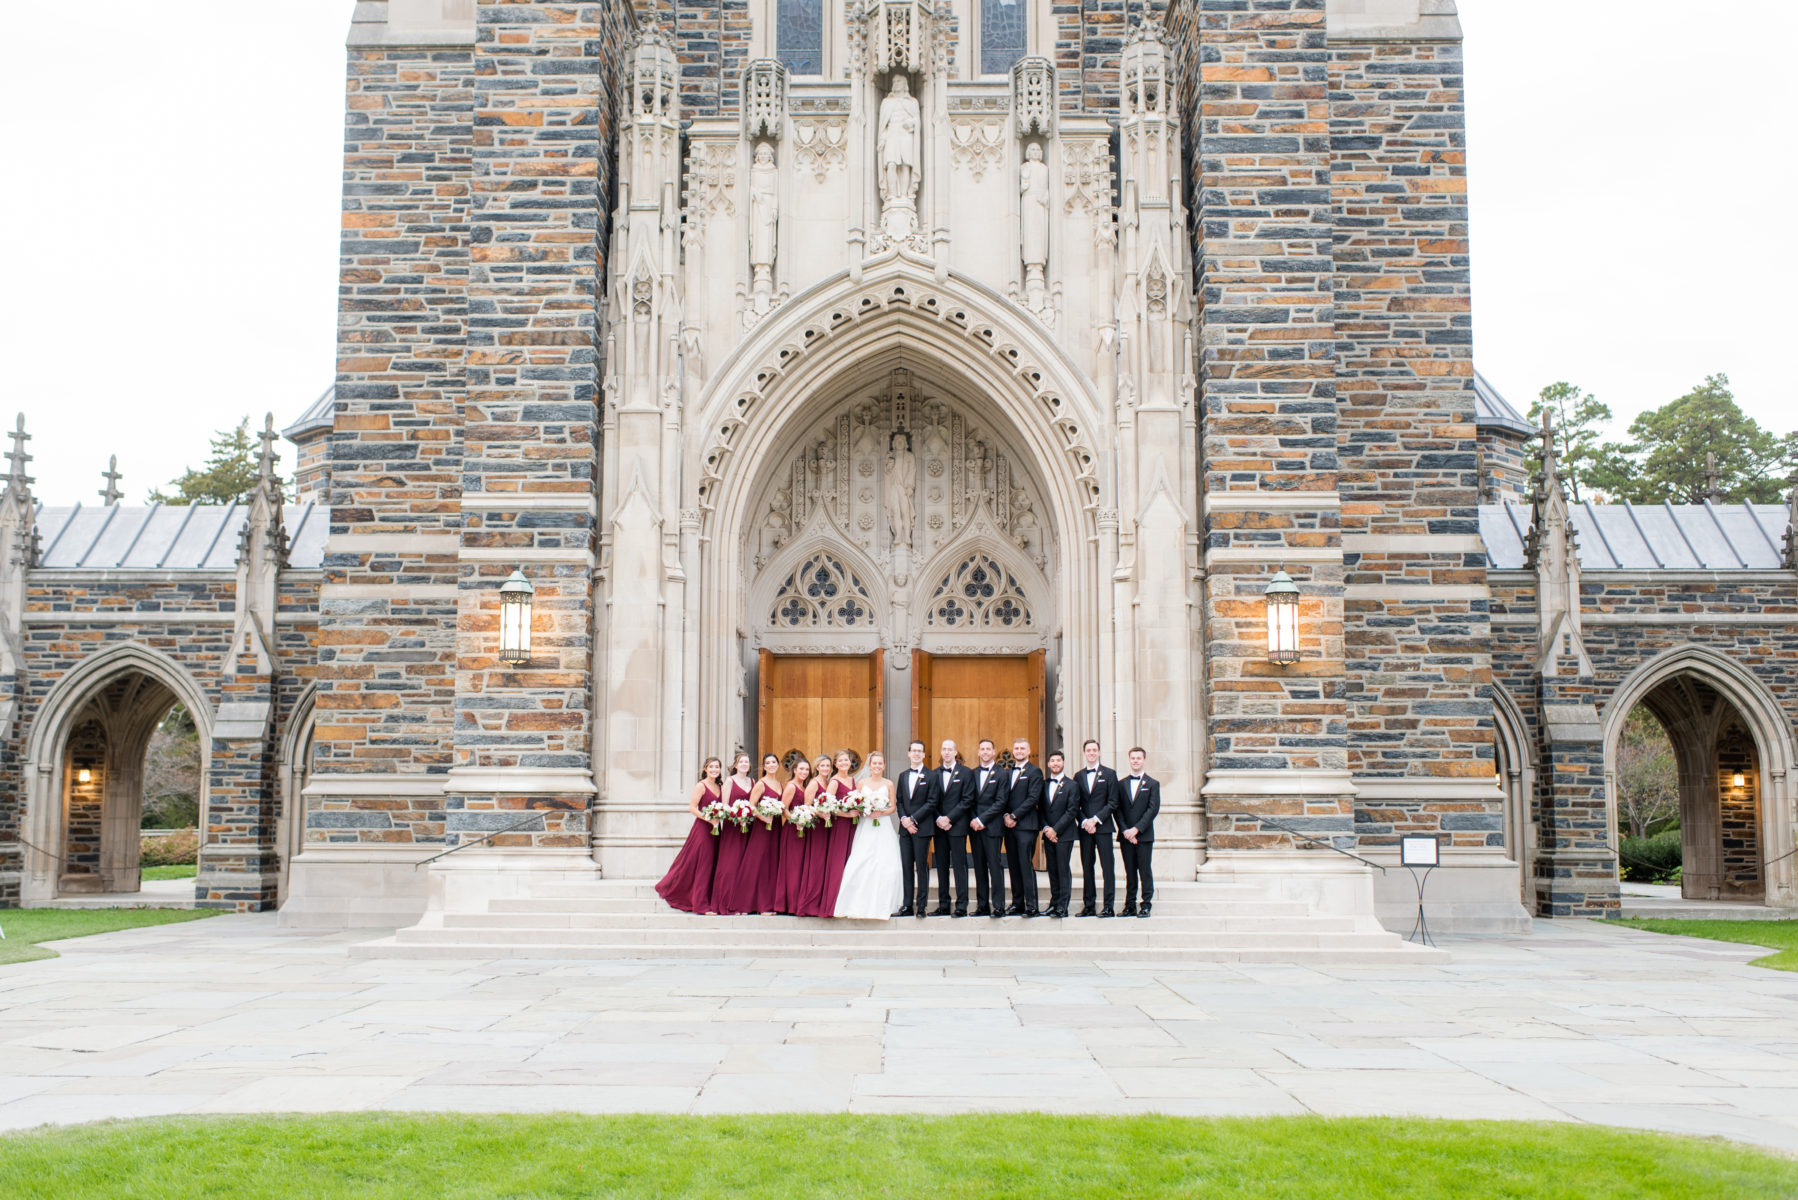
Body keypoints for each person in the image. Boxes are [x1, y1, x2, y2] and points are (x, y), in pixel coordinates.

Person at [833, 751, 904, 919]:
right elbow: (856, 803)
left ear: (884, 766)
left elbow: (893, 806)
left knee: (885, 862)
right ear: (869, 765)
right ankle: (857, 902)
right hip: (866, 826)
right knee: (861, 860)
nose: (877, 766)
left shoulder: (889, 784)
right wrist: (864, 812)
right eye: (874, 763)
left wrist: (881, 812)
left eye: (880, 763)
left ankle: (885, 903)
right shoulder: (861, 783)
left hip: (883, 825)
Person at [655, 756, 723, 914]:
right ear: (705, 769)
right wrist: (708, 818)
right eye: (711, 766)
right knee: (703, 865)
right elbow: (692, 807)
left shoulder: (720, 787)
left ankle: (709, 899)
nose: (714, 769)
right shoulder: (701, 786)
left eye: (717, 767)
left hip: (716, 830)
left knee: (711, 864)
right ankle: (700, 905)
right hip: (703, 829)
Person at [894, 739, 940, 918]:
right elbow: (899, 800)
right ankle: (907, 905)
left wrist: (913, 819)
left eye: (919, 751)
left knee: (921, 867)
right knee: (906, 867)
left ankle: (921, 906)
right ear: (908, 753)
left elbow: (932, 802)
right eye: (913, 751)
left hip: (923, 828)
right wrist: (905, 819)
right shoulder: (903, 775)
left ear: (923, 754)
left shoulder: (931, 776)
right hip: (905, 829)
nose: (916, 754)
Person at [710, 752, 758, 915]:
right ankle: (725, 903)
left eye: (747, 761)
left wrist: (747, 816)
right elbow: (724, 805)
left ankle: (740, 903)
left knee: (744, 866)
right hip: (733, 827)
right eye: (741, 762)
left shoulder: (752, 781)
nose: (744, 764)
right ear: (735, 765)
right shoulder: (730, 781)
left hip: (748, 827)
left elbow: (753, 804)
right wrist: (738, 816)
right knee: (730, 864)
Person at [1075, 738, 1119, 917]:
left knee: (1107, 867)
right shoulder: (1078, 776)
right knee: (1087, 867)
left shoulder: (1109, 774)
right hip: (1085, 829)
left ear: (1099, 753)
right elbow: (1074, 803)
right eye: (1088, 750)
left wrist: (1095, 820)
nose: (1091, 753)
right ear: (1084, 753)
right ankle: (1089, 905)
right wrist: (1085, 821)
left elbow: (1113, 802)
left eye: (1094, 750)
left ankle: (1108, 906)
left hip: (1103, 827)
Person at [1002, 737, 1044, 917]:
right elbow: (1002, 797)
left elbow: (1033, 798)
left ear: (1028, 751)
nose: (1019, 751)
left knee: (1025, 864)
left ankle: (1032, 905)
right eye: (1016, 748)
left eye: (1022, 748)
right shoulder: (1007, 772)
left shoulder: (1035, 772)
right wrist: (1005, 815)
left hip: (1026, 825)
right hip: (1009, 825)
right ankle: (1017, 903)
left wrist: (1014, 816)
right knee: (1013, 865)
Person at [792, 755, 837, 917]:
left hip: (827, 828)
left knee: (825, 864)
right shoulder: (813, 783)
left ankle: (821, 902)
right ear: (817, 767)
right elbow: (807, 806)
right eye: (822, 765)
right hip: (817, 827)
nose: (825, 768)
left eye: (828, 766)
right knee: (816, 864)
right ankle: (809, 904)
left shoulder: (828, 782)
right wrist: (822, 813)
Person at [1118, 746, 1160, 918]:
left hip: (1144, 835)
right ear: (1129, 760)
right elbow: (1118, 809)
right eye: (1133, 758)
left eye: (1138, 758)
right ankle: (1130, 905)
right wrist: (1126, 831)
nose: (1135, 761)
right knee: (1129, 872)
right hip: (1126, 835)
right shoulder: (1121, 784)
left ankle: (1146, 904)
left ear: (1144, 760)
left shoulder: (1152, 784)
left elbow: (1152, 809)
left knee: (1144, 870)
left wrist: (1136, 830)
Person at [933, 739, 974, 916]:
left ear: (956, 752)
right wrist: (939, 818)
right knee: (941, 866)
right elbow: (930, 801)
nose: (947, 752)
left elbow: (967, 800)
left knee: (959, 865)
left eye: (950, 749)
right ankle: (943, 904)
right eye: (944, 749)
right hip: (938, 826)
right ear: (941, 752)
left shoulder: (966, 773)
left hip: (957, 825)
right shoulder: (934, 774)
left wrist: (949, 818)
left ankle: (962, 905)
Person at [968, 739, 1007, 918]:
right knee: (979, 867)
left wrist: (982, 820)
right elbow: (968, 800)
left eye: (988, 749)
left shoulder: (1001, 774)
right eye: (982, 749)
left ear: (994, 751)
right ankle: (982, 905)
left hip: (992, 827)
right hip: (975, 828)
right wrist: (974, 820)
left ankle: (998, 905)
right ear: (978, 752)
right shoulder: (972, 773)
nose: (985, 752)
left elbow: (1001, 801)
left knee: (995, 866)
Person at [818, 749, 860, 914]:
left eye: (846, 760)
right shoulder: (834, 781)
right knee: (838, 862)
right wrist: (847, 814)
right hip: (840, 825)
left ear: (850, 762)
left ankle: (847, 901)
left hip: (852, 825)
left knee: (850, 861)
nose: (844, 763)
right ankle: (832, 904)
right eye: (840, 761)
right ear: (836, 764)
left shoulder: (852, 779)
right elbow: (828, 806)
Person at [744, 753, 785, 914]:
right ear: (764, 766)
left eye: (774, 762)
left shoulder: (780, 784)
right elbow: (751, 805)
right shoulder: (761, 784)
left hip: (775, 827)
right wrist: (763, 818)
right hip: (762, 827)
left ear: (778, 764)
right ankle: (758, 904)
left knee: (772, 864)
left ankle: (770, 902)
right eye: (768, 763)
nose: (771, 765)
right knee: (760, 863)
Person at [1040, 751, 1079, 918]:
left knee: (1063, 869)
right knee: (1052, 869)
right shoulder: (1043, 784)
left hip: (1065, 834)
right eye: (1052, 760)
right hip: (1048, 833)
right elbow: (1040, 809)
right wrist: (1046, 828)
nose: (1055, 763)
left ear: (1063, 763)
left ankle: (1063, 906)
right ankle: (1054, 903)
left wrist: (1056, 830)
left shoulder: (1072, 785)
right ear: (1048, 764)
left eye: (1058, 760)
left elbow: (1072, 811)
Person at [772, 756, 813, 915]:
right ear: (794, 770)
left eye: (807, 770)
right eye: (801, 769)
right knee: (792, 866)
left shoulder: (805, 787)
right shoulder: (791, 786)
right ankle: (789, 904)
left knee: (801, 867)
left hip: (804, 829)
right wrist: (795, 820)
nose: (804, 772)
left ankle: (799, 902)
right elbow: (784, 808)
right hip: (792, 830)